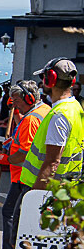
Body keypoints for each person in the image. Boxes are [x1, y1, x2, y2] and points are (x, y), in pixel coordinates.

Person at [0, 80, 50, 249]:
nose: (13, 103)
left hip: (26, 175)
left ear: (29, 98)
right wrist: (15, 115)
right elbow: (22, 135)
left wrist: (6, 159)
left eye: (16, 100)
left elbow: (25, 153)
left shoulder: (32, 119)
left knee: (11, 213)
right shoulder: (42, 111)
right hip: (31, 175)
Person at [22, 58, 84, 191]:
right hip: (65, 187)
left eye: (43, 77)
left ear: (50, 80)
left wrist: (36, 196)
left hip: (43, 188)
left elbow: (52, 161)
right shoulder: (75, 107)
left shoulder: (59, 115)